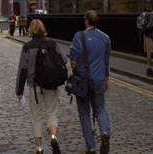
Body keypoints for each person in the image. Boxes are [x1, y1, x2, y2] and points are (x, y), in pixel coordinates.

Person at [16, 19, 67, 154]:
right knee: (52, 114)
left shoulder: (27, 47)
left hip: (35, 86)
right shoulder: (53, 44)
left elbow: (23, 70)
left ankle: (39, 148)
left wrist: (19, 91)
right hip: (52, 85)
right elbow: (64, 59)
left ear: (30, 30)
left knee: (36, 116)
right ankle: (53, 137)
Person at [69, 10, 111, 154]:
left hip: (83, 82)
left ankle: (91, 147)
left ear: (86, 21)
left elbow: (73, 60)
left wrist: (76, 73)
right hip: (99, 79)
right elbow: (106, 62)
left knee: (85, 113)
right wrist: (106, 79)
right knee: (100, 109)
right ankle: (105, 132)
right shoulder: (105, 38)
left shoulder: (78, 36)